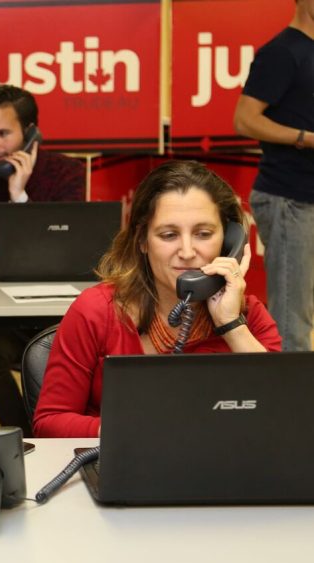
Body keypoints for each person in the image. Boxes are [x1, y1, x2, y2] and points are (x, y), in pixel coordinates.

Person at [33, 160, 282, 438]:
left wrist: (230, 324)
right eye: (168, 234)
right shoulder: (96, 311)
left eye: (203, 234)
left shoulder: (250, 316)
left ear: (228, 241)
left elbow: (284, 418)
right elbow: (49, 422)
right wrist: (135, 433)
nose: (187, 251)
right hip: (121, 468)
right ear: (142, 240)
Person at [0, 84, 85, 436]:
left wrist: (20, 198)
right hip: (2, 313)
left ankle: (50, 429)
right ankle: (24, 432)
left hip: (57, 314)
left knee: (67, 358)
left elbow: (66, 249)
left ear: (30, 133)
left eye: (3, 134)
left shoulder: (67, 174)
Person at [233, 0, 314, 352]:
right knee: (290, 322)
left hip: (304, 198)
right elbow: (245, 119)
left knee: (301, 316)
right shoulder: (282, 52)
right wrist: (305, 138)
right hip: (290, 199)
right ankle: (290, 404)